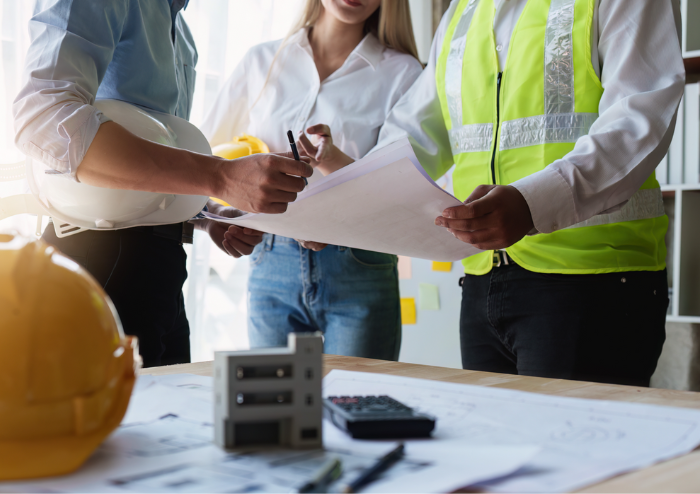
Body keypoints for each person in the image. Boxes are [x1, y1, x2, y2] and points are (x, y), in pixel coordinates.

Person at [316, 0, 685, 386]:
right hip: (483, 282)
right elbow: (411, 139)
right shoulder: (464, 11)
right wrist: (338, 210)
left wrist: (533, 204)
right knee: (495, 444)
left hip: (595, 280)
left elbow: (637, 121)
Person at [13, 0, 312, 367]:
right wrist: (220, 176)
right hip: (97, 257)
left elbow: (158, 157)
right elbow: (44, 116)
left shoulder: (180, 32)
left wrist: (204, 211)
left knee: (164, 418)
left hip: (163, 267)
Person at [200, 0, 423, 360]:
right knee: (273, 406)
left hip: (359, 262)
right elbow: (205, 160)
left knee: (356, 404)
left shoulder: (403, 73)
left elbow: (399, 189)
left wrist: (334, 160)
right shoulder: (261, 61)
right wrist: (213, 214)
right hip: (271, 258)